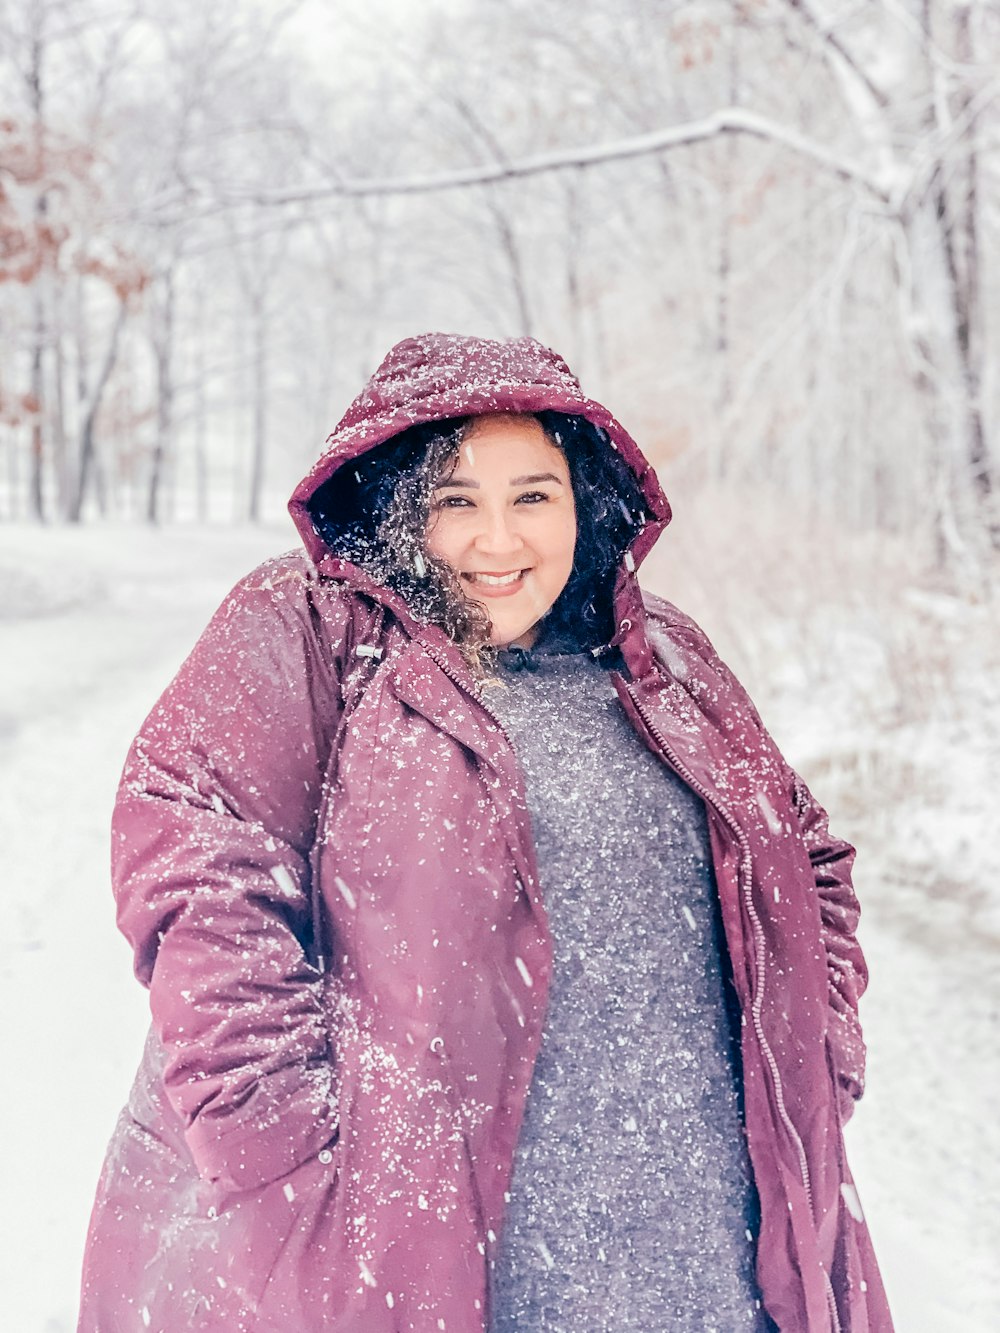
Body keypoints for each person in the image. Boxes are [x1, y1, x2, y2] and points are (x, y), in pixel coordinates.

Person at [78, 332, 893, 1332]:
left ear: (583, 499)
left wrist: (815, 1051)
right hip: (424, 1269)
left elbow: (801, 853)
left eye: (532, 496)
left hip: (704, 1271)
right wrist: (283, 1155)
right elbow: (199, 862)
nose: (497, 541)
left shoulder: (665, 654)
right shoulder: (307, 630)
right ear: (394, 506)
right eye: (454, 500)